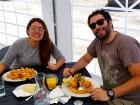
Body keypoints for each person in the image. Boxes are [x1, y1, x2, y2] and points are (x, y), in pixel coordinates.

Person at [63, 9, 140, 105]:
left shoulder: (126, 44)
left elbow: (138, 78)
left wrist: (110, 94)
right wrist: (71, 71)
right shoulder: (98, 41)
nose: (97, 27)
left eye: (100, 22)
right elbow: (85, 59)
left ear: (110, 22)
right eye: (93, 26)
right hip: (107, 92)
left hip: (127, 100)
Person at [0, 18, 65, 74]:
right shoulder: (18, 44)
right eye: (33, 28)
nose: (37, 31)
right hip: (17, 76)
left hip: (39, 76)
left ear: (44, 32)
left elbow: (61, 58)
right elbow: (4, 64)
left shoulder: (48, 43)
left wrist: (56, 66)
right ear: (28, 31)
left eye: (40, 29)